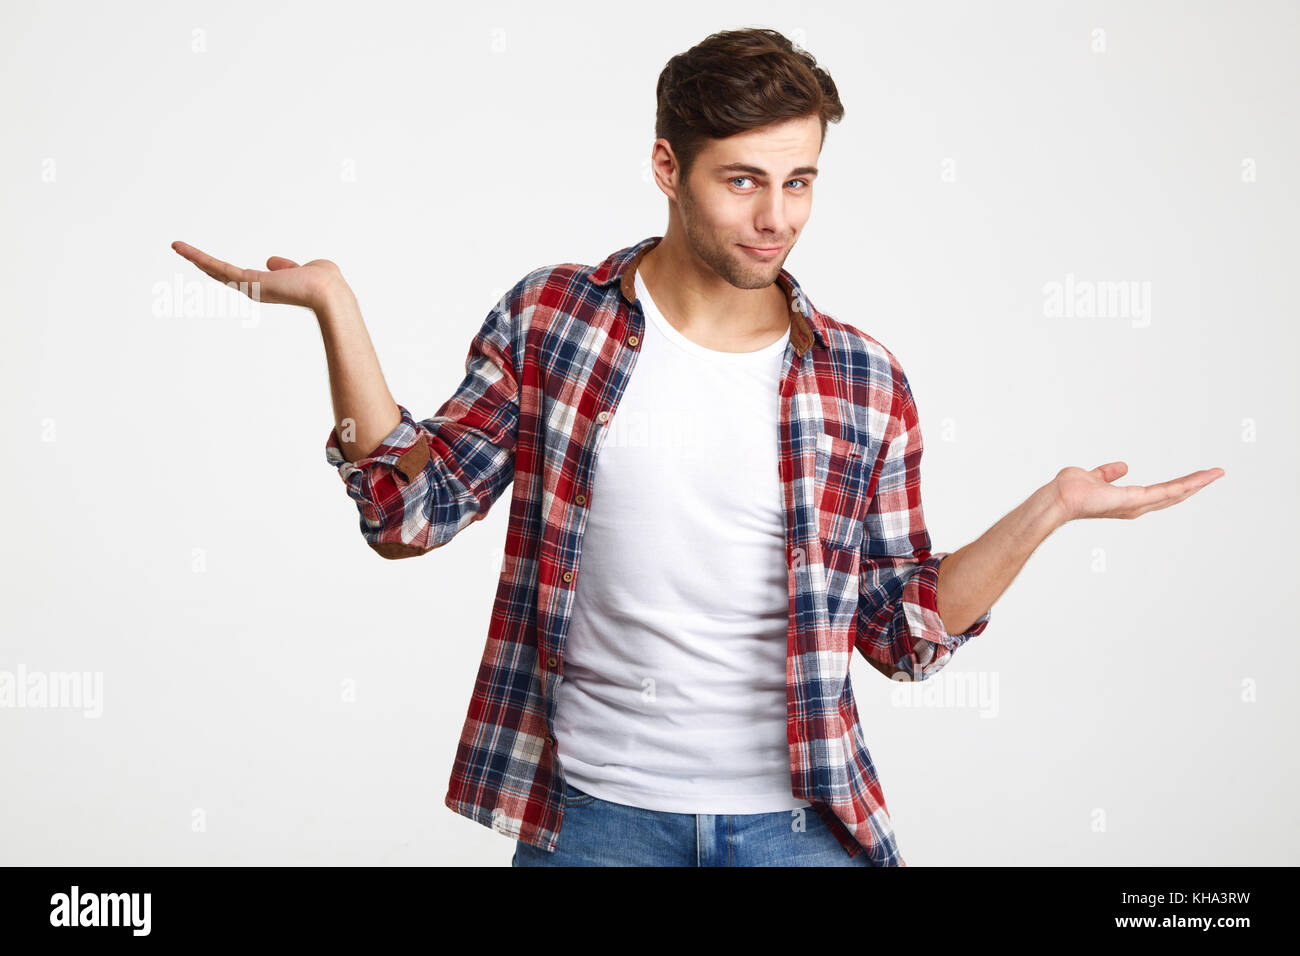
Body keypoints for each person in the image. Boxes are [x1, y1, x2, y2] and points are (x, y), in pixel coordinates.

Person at [170, 27, 1224, 867]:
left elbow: (901, 634)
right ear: (667, 167)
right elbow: (406, 513)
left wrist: (1047, 511)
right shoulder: (554, 322)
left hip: (798, 827)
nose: (776, 219)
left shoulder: (860, 380)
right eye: (743, 181)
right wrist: (334, 310)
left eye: (800, 180)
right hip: (593, 823)